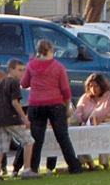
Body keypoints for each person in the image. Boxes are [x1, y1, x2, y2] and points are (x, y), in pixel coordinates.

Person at [20, 39, 82, 175]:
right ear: (51, 51)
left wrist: (29, 64)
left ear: (38, 51)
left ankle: (33, 168)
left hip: (36, 104)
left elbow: (24, 84)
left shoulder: (31, 65)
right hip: (55, 103)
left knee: (36, 139)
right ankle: (74, 166)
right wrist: (67, 106)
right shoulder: (58, 67)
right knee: (62, 137)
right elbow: (65, 89)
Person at [0, 59, 40, 181]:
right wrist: (25, 118)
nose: (21, 73)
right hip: (11, 119)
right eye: (19, 70)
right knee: (29, 141)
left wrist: (0, 111)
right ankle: (27, 170)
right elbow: (15, 103)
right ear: (10, 69)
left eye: (22, 70)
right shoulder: (13, 83)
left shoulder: (1, 82)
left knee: (0, 149)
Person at [73, 73, 110, 170]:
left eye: (96, 86)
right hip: (89, 128)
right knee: (78, 136)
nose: (93, 89)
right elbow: (77, 114)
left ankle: (105, 164)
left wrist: (102, 117)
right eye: (90, 86)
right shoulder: (85, 98)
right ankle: (90, 163)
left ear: (102, 86)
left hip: (107, 128)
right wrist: (85, 117)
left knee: (104, 135)